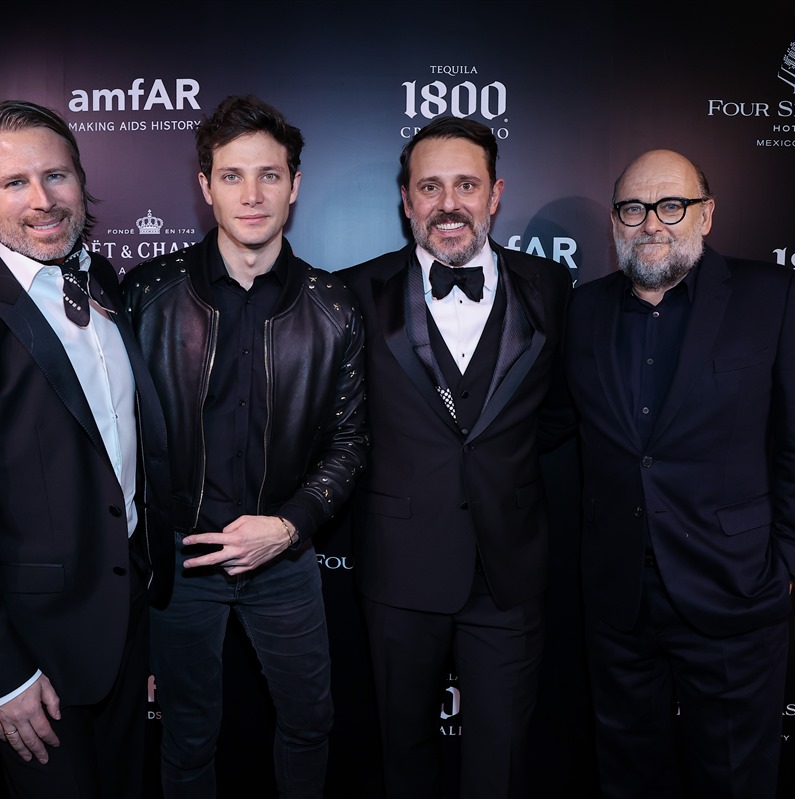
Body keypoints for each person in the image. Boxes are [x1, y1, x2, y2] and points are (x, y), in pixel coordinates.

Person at [0, 99, 172, 798]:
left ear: (82, 182)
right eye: (15, 183)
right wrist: (1, 675)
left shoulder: (104, 282)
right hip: (35, 659)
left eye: (57, 176)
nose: (43, 200)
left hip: (126, 632)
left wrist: (140, 622)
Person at [564, 148, 795, 798]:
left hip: (734, 592)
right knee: (629, 779)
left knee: (736, 779)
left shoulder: (770, 296)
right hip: (620, 602)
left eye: (671, 205)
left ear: (706, 214)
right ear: (614, 221)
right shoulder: (582, 310)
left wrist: (791, 561)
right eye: (633, 208)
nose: (652, 222)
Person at [121, 95, 367, 799]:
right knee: (188, 733)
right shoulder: (148, 293)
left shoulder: (333, 305)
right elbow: (120, 439)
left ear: (295, 184)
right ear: (204, 186)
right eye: (231, 176)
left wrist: (289, 525)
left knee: (310, 721)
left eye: (269, 175)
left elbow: (350, 441)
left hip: (284, 558)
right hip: (182, 560)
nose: (251, 195)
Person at [338, 116, 574, 799]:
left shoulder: (551, 287)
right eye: (430, 187)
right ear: (406, 200)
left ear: (495, 194)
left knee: (500, 764)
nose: (449, 203)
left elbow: (558, 412)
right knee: (401, 758)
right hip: (399, 571)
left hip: (510, 570)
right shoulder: (353, 291)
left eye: (466, 184)